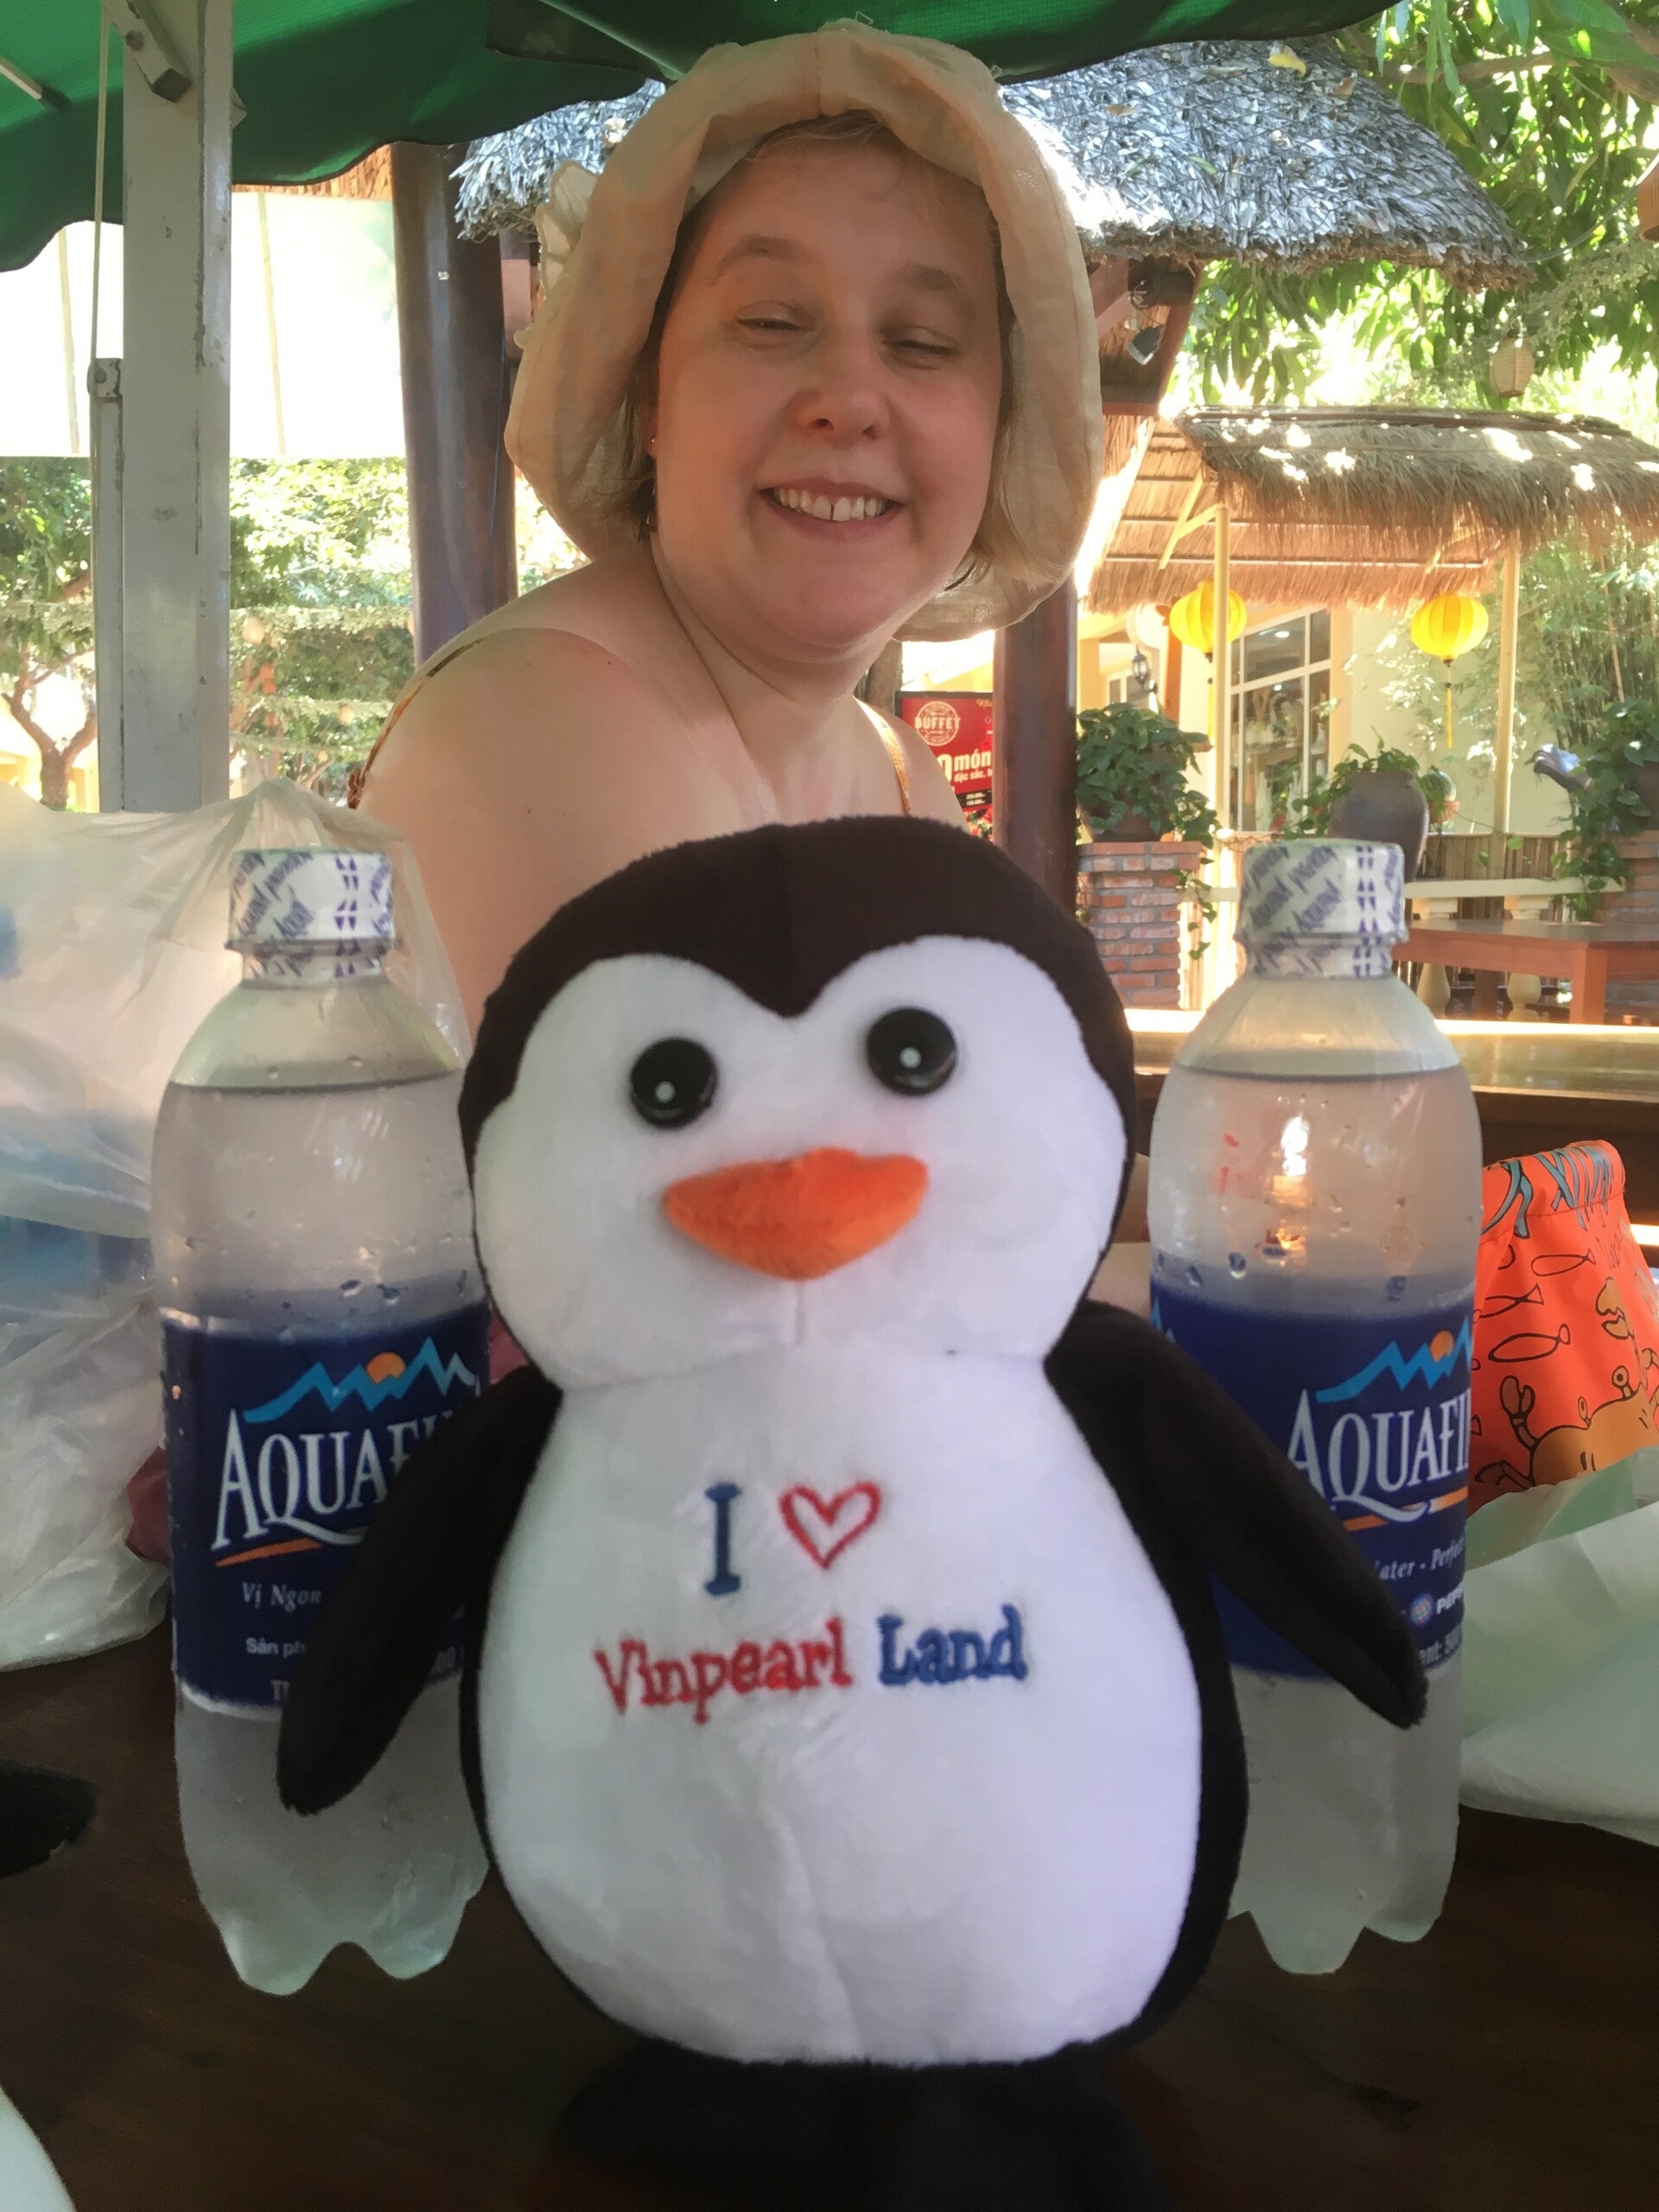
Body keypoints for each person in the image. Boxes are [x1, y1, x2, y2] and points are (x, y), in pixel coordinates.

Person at [353, 22, 1102, 1037]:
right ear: (647, 393)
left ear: (999, 425)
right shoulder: (539, 718)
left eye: (923, 342)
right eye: (770, 322)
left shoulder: (903, 779)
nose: (849, 399)